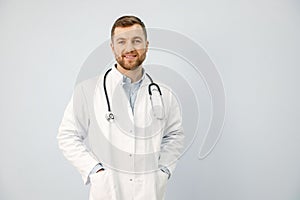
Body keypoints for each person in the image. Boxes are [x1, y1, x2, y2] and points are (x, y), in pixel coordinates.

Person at [57, 15, 184, 200]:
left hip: (149, 191)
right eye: (122, 41)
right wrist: (95, 171)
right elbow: (67, 135)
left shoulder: (164, 94)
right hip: (108, 191)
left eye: (136, 41)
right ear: (112, 47)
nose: (129, 48)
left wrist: (163, 170)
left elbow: (175, 136)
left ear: (147, 45)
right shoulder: (87, 90)